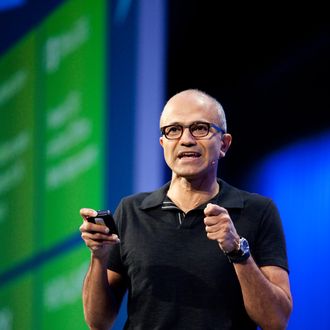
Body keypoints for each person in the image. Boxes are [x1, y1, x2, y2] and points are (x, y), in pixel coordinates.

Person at [80, 89, 293, 330]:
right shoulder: (131, 211)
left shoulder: (258, 210)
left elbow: (276, 320)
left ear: (224, 144)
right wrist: (98, 257)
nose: (186, 139)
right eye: (173, 130)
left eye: (200, 128)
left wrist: (237, 251)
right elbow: (98, 322)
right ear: (163, 144)